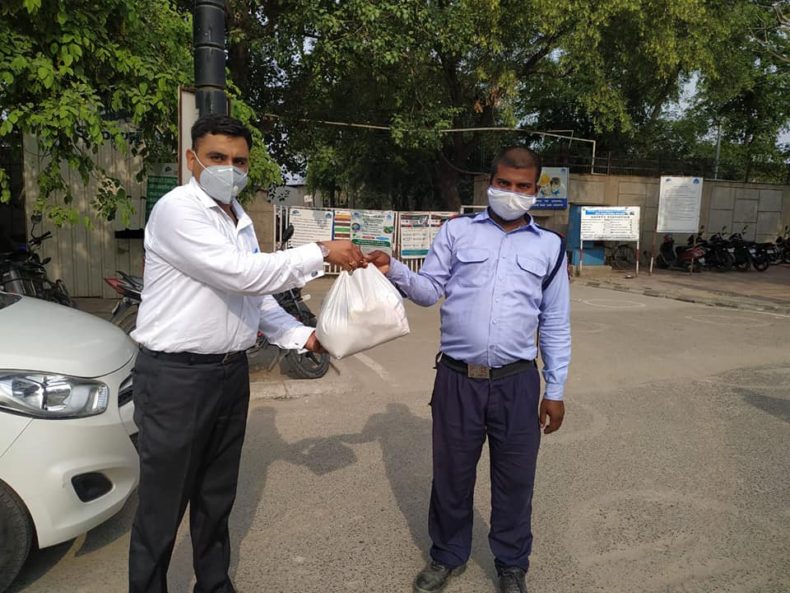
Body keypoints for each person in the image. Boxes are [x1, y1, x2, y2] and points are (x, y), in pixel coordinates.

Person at [128, 113, 366, 593]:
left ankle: (213, 585)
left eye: (239, 161)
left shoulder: (236, 217)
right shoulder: (179, 211)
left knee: (216, 497)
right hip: (176, 377)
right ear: (191, 159)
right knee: (163, 506)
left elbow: (255, 299)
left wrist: (302, 337)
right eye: (217, 157)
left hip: (228, 374)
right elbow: (243, 275)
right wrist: (321, 251)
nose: (229, 168)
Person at [366, 146, 571, 593]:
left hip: (517, 382)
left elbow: (554, 322)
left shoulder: (550, 248)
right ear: (489, 184)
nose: (511, 192)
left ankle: (512, 564)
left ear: (536, 191)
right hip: (458, 380)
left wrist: (554, 388)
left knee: (516, 481)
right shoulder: (457, 233)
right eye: (503, 183)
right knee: (452, 476)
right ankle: (447, 555)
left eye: (522, 187)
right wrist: (392, 269)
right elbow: (427, 291)